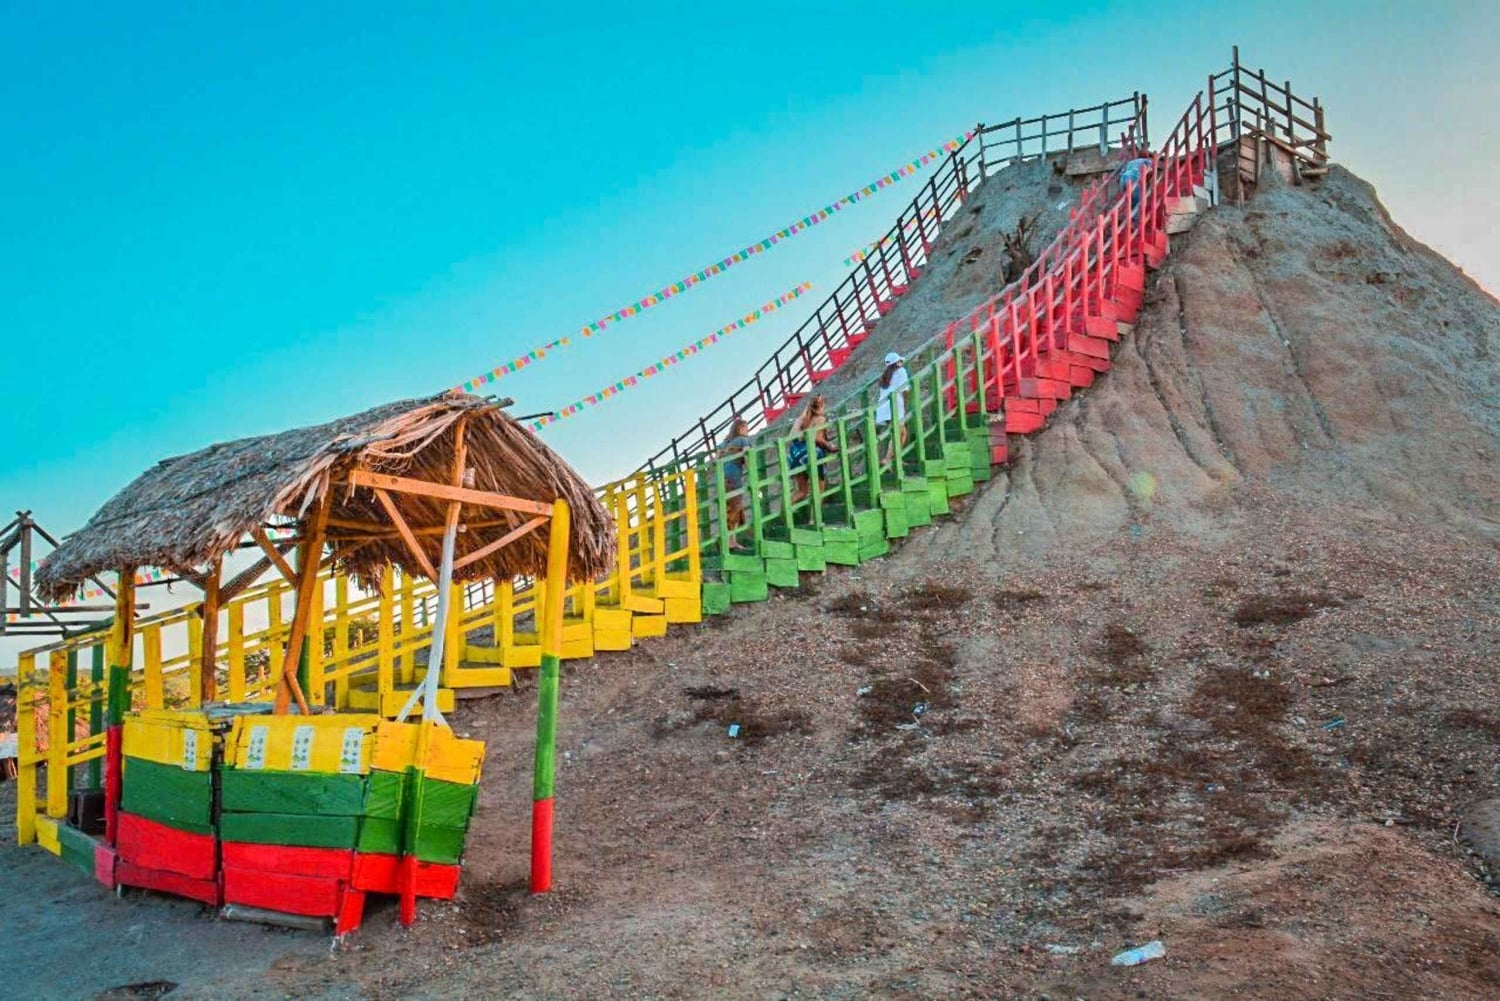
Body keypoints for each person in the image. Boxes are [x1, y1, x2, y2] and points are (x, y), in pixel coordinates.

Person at [787, 395, 836, 505]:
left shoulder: (803, 420)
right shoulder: (821, 419)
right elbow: (817, 438)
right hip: (812, 455)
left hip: (796, 457)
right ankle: (813, 520)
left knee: (802, 491)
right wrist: (830, 446)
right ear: (822, 406)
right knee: (819, 490)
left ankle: (784, 511)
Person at [716, 418, 753, 551]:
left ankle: (729, 539)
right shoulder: (744, 440)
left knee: (728, 508)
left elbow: (717, 457)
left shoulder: (724, 443)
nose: (747, 431)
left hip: (721, 477)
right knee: (735, 507)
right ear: (740, 428)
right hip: (734, 476)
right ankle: (731, 541)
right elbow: (748, 456)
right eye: (746, 428)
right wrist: (752, 474)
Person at [874, 351, 910, 464]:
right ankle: (887, 459)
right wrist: (905, 405)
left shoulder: (885, 375)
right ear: (897, 363)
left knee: (902, 433)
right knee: (897, 433)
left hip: (883, 407)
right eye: (900, 361)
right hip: (895, 405)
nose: (901, 363)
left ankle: (897, 459)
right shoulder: (901, 371)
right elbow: (904, 390)